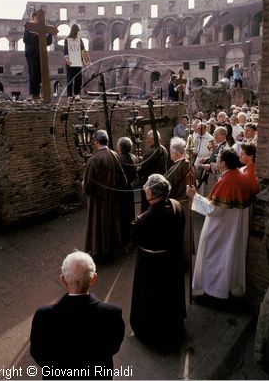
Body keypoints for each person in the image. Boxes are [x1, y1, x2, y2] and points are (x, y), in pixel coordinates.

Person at [30, 251, 125, 380]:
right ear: (93, 279)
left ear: (63, 279)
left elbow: (38, 354)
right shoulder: (112, 313)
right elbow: (113, 347)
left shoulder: (44, 316)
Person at [187, 149, 254, 307]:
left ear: (223, 163)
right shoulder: (240, 176)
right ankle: (225, 290)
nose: (216, 159)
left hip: (221, 232)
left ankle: (213, 295)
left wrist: (194, 196)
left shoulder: (226, 182)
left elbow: (213, 210)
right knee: (227, 260)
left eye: (217, 158)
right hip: (232, 229)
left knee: (215, 259)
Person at [130, 174, 186, 348]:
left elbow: (135, 239)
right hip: (171, 259)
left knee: (152, 298)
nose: (144, 188)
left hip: (151, 265)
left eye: (146, 186)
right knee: (169, 295)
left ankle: (151, 334)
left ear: (152, 193)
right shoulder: (177, 205)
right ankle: (173, 328)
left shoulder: (144, 219)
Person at [82, 130, 127, 261]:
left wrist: (84, 185)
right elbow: (122, 180)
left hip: (98, 200)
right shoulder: (114, 155)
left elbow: (88, 185)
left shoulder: (94, 159)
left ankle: (100, 252)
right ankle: (112, 249)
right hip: (112, 198)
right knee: (111, 223)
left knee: (99, 224)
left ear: (96, 141)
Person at [23, 11, 52, 102]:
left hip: (41, 54)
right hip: (32, 54)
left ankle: (39, 93)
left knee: (40, 74)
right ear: (33, 18)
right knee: (33, 74)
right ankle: (34, 95)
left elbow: (48, 42)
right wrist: (35, 34)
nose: (39, 20)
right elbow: (25, 39)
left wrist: (49, 33)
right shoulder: (29, 27)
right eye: (37, 18)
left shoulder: (42, 28)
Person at [137, 130, 168, 212]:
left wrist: (138, 167)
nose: (147, 141)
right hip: (160, 181)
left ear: (153, 139)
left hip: (150, 184)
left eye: (148, 138)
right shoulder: (163, 149)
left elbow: (142, 169)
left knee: (148, 207)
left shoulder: (151, 152)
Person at [116, 136, 138, 246]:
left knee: (123, 215)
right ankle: (132, 236)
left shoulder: (118, 160)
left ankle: (125, 240)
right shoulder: (133, 157)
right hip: (130, 189)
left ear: (120, 147)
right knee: (131, 213)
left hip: (121, 190)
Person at [64, 24, 89, 102]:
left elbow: (83, 50)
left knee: (78, 79)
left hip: (78, 62)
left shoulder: (79, 40)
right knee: (70, 79)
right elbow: (66, 51)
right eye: (78, 31)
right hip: (70, 63)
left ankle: (76, 95)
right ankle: (70, 96)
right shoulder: (67, 39)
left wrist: (87, 61)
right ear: (77, 31)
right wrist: (67, 59)